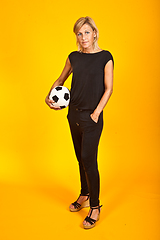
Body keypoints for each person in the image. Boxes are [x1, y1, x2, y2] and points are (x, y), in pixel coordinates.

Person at [45, 16, 114, 229]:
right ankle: (84, 194)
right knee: (79, 158)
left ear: (94, 33)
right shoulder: (73, 57)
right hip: (73, 115)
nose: (82, 37)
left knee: (88, 159)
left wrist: (96, 113)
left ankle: (95, 206)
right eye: (78, 33)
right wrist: (49, 96)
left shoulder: (105, 57)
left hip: (92, 117)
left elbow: (109, 88)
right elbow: (60, 80)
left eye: (86, 32)